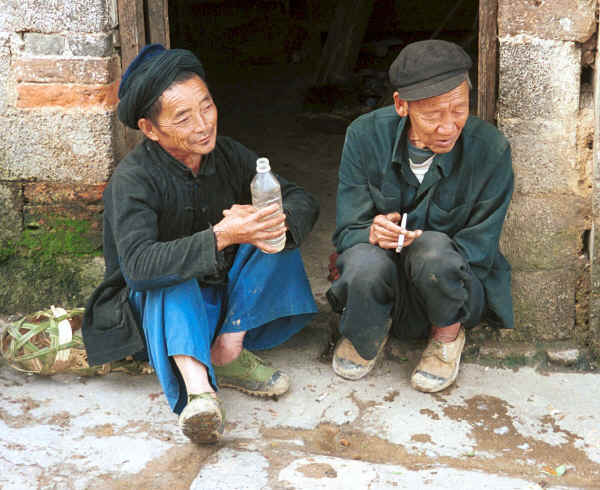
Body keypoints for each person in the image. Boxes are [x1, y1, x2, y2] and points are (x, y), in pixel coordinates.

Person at [82, 44, 319, 444]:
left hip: (226, 304)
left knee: (274, 231)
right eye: (183, 117)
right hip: (161, 316)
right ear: (150, 129)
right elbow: (138, 266)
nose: (203, 124)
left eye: (206, 106)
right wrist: (221, 236)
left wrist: (264, 221)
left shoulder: (228, 154)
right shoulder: (133, 180)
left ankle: (229, 350)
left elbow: (301, 200)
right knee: (166, 270)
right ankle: (199, 393)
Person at [327, 40, 514, 393]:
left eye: (459, 109)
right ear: (401, 105)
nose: (448, 126)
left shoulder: (490, 149)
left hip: (447, 285)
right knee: (364, 260)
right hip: (379, 284)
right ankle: (366, 332)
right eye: (432, 115)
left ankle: (446, 339)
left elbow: (479, 249)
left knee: (432, 252)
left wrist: (421, 247)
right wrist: (372, 232)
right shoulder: (364, 135)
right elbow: (347, 228)